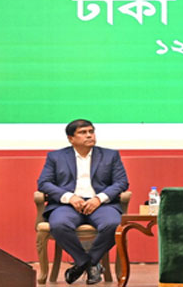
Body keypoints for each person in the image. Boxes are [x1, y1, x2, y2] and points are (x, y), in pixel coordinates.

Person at [38, 119, 129, 285]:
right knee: (59, 225)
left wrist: (99, 198)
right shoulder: (56, 157)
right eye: (83, 132)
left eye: (91, 131)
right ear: (71, 138)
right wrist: (69, 197)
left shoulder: (110, 155)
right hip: (67, 205)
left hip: (101, 205)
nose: (89, 135)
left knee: (113, 224)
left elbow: (121, 182)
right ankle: (88, 263)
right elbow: (44, 183)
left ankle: (86, 263)